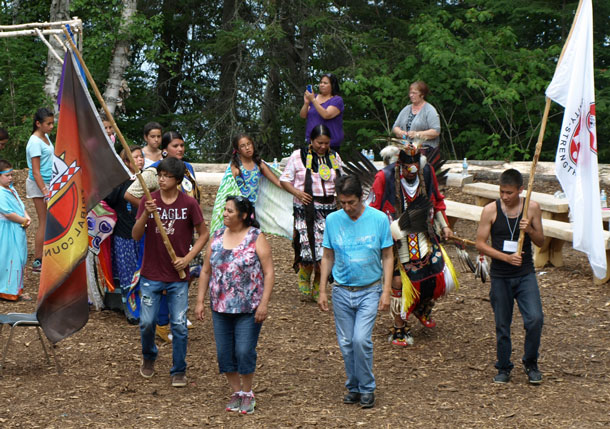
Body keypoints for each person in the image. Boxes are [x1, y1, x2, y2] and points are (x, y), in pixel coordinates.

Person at [132, 157, 209, 388]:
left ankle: (179, 369)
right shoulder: (149, 200)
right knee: (146, 322)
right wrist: (146, 214)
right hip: (150, 274)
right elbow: (136, 235)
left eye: (166, 176)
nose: (162, 180)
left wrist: (187, 258)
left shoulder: (189, 204)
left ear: (178, 180)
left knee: (179, 325)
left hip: (178, 277)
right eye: (160, 175)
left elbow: (204, 234)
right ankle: (149, 356)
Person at [318, 175, 393, 409]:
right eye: (343, 203)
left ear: (361, 198)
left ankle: (367, 387)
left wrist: (387, 290)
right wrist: (322, 290)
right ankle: (354, 385)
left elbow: (388, 255)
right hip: (341, 289)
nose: (347, 207)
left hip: (370, 288)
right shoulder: (332, 220)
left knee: (361, 339)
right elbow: (328, 255)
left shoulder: (379, 219)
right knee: (346, 342)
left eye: (351, 202)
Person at [195, 196, 274, 415]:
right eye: (225, 210)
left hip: (249, 308)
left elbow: (268, 273)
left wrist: (264, 304)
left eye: (230, 211)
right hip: (220, 308)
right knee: (224, 353)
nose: (225, 214)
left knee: (244, 350)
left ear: (244, 215)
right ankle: (236, 392)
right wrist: (200, 301)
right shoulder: (217, 237)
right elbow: (205, 271)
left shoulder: (256, 238)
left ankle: (248, 393)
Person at [370, 143, 454, 346]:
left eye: (415, 166)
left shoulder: (426, 172)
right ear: (399, 163)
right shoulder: (384, 177)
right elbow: (373, 210)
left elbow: (435, 200)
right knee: (398, 281)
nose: (412, 171)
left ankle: (420, 306)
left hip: (423, 232)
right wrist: (381, 237)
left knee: (435, 273)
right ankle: (399, 327)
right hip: (395, 237)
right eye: (407, 168)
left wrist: (444, 226)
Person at [125, 130, 200, 342]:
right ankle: (160, 321)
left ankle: (176, 316)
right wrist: (151, 212)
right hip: (158, 235)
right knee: (161, 278)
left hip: (182, 231)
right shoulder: (153, 172)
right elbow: (131, 193)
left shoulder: (187, 169)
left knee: (184, 273)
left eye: (182, 145)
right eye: (175, 146)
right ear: (164, 150)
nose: (180, 149)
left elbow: (192, 195)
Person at [475, 168, 545, 385]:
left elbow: (541, 241)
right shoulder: (490, 210)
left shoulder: (531, 208)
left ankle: (530, 363)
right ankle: (503, 366)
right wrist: (505, 259)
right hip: (501, 275)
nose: (505, 196)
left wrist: (530, 230)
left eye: (509, 193)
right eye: (502, 192)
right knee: (502, 324)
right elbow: (480, 244)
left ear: (521, 190)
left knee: (535, 319)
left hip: (525, 274)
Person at [280, 124, 342, 301]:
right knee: (308, 248)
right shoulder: (298, 156)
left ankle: (318, 284)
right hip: (306, 209)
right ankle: (304, 275)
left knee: (326, 249)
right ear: (311, 140)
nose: (323, 146)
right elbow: (284, 180)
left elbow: (342, 179)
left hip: (329, 209)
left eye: (326, 143)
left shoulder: (334, 156)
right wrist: (298, 193)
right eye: (319, 143)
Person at [105, 145, 145, 324]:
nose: (140, 160)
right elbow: (108, 201)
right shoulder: (121, 182)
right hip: (124, 235)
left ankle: (146, 307)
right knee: (128, 274)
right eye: (136, 157)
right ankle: (131, 310)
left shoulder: (148, 180)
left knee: (143, 272)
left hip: (143, 234)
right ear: (127, 162)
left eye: (141, 156)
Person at [26, 108, 55, 273]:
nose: (51, 126)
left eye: (52, 123)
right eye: (48, 123)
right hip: (39, 185)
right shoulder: (34, 142)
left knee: (50, 221)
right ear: (38, 124)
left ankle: (48, 255)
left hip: (49, 183)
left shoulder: (46, 137)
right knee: (44, 221)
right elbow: (35, 171)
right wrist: (45, 191)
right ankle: (38, 260)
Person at [0, 160, 31, 301]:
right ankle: (7, 290)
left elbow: (20, 204)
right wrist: (23, 220)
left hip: (17, 227)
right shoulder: (0, 193)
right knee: (9, 258)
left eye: (11, 175)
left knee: (19, 258)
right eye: (7, 175)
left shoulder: (11, 189)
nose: (11, 178)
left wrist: (26, 216)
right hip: (7, 230)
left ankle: (17, 289)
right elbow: (7, 213)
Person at [230, 133, 281, 203]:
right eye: (242, 146)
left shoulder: (259, 164)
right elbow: (227, 189)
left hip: (255, 207)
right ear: (238, 150)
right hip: (240, 208)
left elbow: (277, 182)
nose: (247, 148)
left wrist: (295, 191)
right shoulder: (236, 167)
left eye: (249, 144)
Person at [392, 81, 441, 151]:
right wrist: (400, 132)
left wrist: (417, 134)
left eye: (414, 93)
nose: (411, 95)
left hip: (425, 150)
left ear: (422, 95)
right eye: (410, 93)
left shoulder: (430, 110)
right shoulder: (406, 109)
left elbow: (436, 131)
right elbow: (395, 127)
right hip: (405, 149)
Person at [300, 73, 344, 151]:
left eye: (325, 83)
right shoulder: (314, 97)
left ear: (332, 85)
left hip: (330, 144)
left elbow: (326, 114)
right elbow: (303, 115)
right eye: (321, 82)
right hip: (312, 142)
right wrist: (306, 103)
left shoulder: (337, 100)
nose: (322, 85)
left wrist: (313, 100)